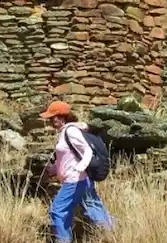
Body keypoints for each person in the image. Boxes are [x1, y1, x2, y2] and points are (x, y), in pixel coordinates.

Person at [40, 101, 113, 243]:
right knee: (95, 210)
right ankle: (115, 234)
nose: (50, 120)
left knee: (57, 211)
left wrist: (79, 168)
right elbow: (68, 157)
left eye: (52, 117)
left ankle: (63, 240)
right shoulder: (65, 132)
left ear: (61, 117)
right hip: (83, 180)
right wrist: (54, 169)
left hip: (75, 180)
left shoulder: (70, 131)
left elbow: (87, 150)